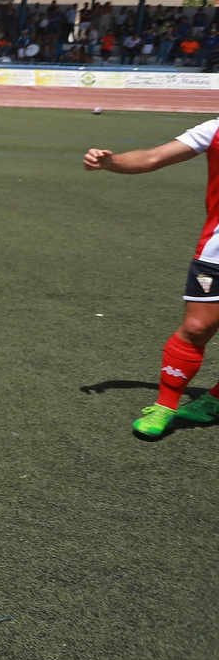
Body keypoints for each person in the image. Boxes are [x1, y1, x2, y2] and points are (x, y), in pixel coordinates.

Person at [84, 125, 219, 438]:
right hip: (216, 252)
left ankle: (214, 400)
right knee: (197, 328)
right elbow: (153, 156)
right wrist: (111, 162)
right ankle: (165, 405)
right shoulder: (215, 129)